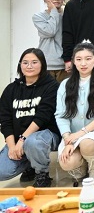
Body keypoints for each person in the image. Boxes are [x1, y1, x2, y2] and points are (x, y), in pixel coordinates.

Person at [55, 43, 94, 185]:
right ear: (73, 61)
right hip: (72, 134)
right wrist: (68, 138)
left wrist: (80, 134)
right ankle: (81, 167)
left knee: (87, 143)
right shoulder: (65, 84)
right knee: (67, 162)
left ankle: (93, 168)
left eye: (88, 59)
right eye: (79, 59)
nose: (83, 63)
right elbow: (61, 115)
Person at [0, 48, 60, 187]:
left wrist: (22, 140)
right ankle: (30, 165)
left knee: (32, 142)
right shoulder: (11, 89)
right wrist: (12, 146)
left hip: (45, 135)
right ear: (20, 65)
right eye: (25, 62)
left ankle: (42, 174)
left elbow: (42, 117)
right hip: (18, 139)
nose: (29, 66)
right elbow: (5, 120)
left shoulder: (52, 86)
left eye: (34, 62)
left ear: (42, 64)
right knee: (2, 171)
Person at [33, 0, 68, 82]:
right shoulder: (38, 16)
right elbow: (50, 31)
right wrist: (54, 11)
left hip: (65, 64)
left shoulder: (67, 15)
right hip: (46, 63)